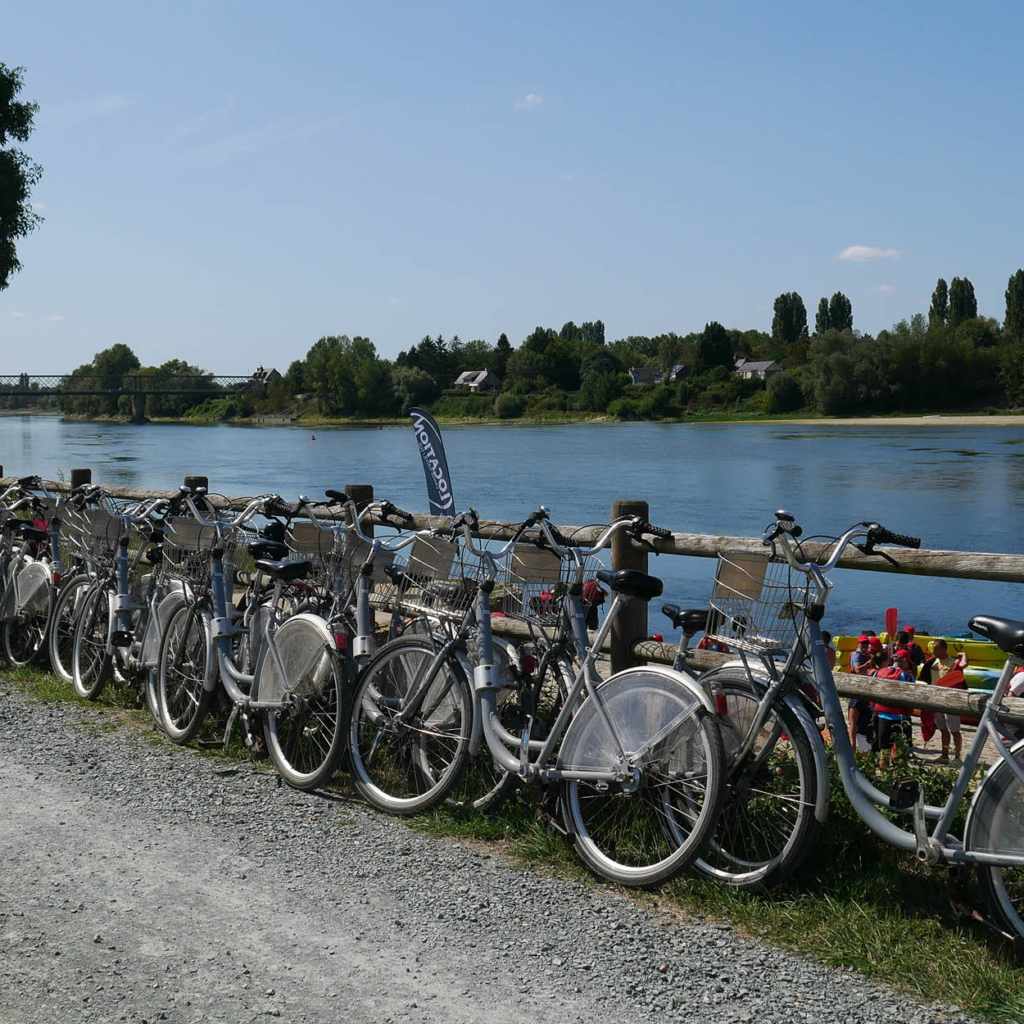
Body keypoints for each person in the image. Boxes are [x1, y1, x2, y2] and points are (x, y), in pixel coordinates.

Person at [923, 638, 968, 762]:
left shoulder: (953, 662)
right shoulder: (932, 662)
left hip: (951, 701)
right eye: (933, 648)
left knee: (954, 730)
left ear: (943, 648)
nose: (934, 650)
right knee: (943, 729)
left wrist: (964, 654)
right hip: (936, 699)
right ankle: (944, 755)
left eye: (936, 648)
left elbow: (964, 665)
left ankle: (958, 757)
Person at [871, 648, 917, 767]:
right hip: (902, 718)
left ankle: (884, 776)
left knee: (884, 751)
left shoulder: (878, 672)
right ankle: (900, 776)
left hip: (882, 716)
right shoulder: (907, 676)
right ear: (905, 661)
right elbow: (914, 696)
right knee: (902, 751)